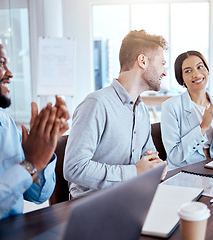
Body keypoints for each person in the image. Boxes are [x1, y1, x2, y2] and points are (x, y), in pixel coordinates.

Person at [0, 33, 70, 239]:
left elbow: (38, 196)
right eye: (0, 63)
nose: (10, 74)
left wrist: (45, 148)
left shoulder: (6, 125)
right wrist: (29, 164)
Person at [64, 30, 167, 197]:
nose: (164, 71)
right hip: (93, 203)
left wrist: (156, 166)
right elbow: (74, 168)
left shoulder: (141, 109)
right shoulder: (96, 104)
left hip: (131, 196)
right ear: (142, 61)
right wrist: (134, 172)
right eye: (162, 63)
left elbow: (149, 154)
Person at [161, 50, 213, 170]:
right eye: (188, 71)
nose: (196, 74)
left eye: (200, 67)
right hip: (185, 171)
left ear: (207, 70)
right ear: (182, 79)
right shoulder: (170, 107)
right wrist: (202, 127)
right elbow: (175, 156)